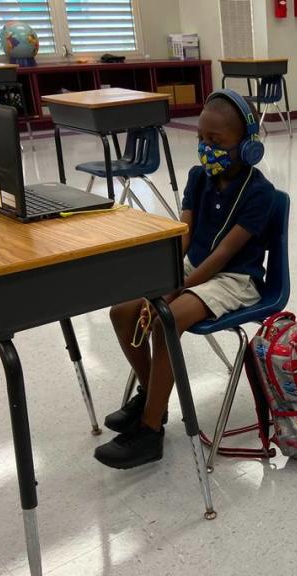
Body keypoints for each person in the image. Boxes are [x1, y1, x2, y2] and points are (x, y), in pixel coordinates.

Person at [94, 90, 276, 469]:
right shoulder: (198, 177)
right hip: (195, 267)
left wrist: (179, 288)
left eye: (217, 142)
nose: (206, 149)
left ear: (248, 147)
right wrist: (168, 275)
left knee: (166, 319)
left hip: (234, 279)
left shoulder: (261, 194)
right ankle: (152, 400)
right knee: (123, 311)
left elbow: (225, 254)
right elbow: (186, 234)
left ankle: (149, 432)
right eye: (200, 140)